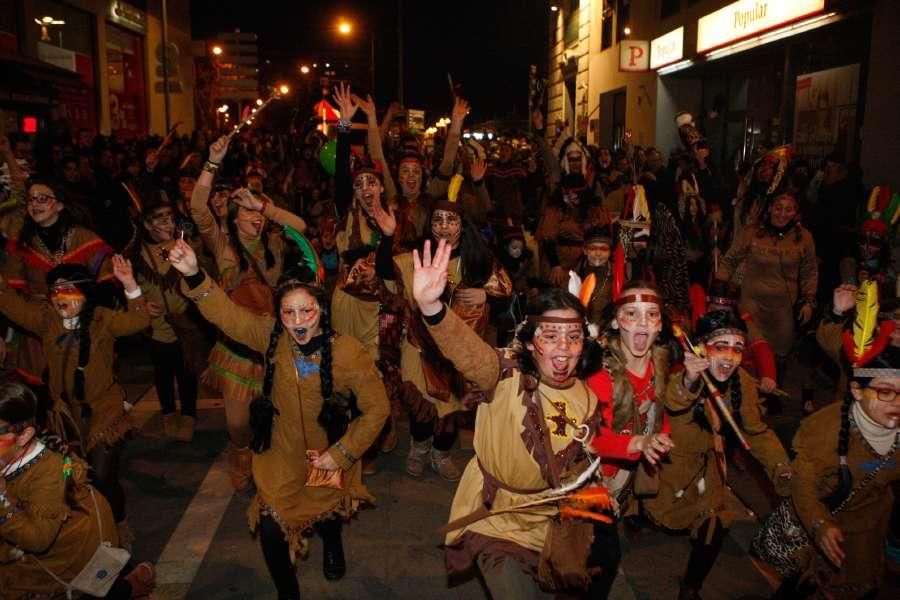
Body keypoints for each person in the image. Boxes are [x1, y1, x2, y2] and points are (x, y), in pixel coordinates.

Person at [165, 238, 389, 597]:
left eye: (307, 312)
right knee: (270, 529)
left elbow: (378, 409)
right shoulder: (271, 336)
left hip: (327, 453)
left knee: (328, 513)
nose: (297, 322)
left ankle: (333, 545)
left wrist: (342, 453)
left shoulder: (349, 352)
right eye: (288, 313)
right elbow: (228, 314)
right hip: (279, 452)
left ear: (322, 310)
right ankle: (288, 592)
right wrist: (194, 274)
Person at [414, 238, 619, 598]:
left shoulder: (586, 399)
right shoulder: (502, 373)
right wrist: (433, 308)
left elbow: (575, 472)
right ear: (527, 341)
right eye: (550, 335)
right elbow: (469, 352)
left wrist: (597, 502)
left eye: (572, 337)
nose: (562, 348)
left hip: (548, 523)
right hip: (495, 518)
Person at [754, 282, 898, 598]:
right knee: (805, 580)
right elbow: (829, 338)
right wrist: (835, 313)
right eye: (887, 392)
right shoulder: (861, 356)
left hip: (868, 525)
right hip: (836, 469)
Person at [0, 255, 149, 545]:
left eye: (68, 288)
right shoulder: (47, 319)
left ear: (84, 292)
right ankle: (88, 528)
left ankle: (117, 526)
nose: (60, 296)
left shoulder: (103, 320)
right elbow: (8, 303)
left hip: (105, 412)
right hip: (65, 418)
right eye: (54, 290)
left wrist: (129, 282)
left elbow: (140, 320)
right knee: (71, 473)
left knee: (103, 476)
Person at [643, 310, 791, 599]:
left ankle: (690, 587)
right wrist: (690, 380)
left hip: (710, 471)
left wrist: (781, 465)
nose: (729, 358)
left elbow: (756, 431)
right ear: (699, 347)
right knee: (651, 515)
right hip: (667, 468)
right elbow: (674, 400)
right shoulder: (678, 375)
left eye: (737, 349)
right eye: (720, 346)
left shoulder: (743, 383)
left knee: (715, 527)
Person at [189, 134, 307, 491]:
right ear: (234, 218)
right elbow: (197, 208)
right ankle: (239, 452)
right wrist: (212, 162)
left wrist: (264, 205)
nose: (254, 218)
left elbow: (300, 228)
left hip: (273, 342)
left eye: (258, 214)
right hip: (237, 348)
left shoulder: (273, 243)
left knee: (281, 417)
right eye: (248, 213)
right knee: (238, 423)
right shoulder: (223, 246)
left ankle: (273, 463)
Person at [385, 187, 511, 481]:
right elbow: (386, 270)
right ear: (430, 226)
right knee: (421, 408)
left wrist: (487, 295)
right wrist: (388, 236)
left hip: (460, 353)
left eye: (451, 220)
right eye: (437, 220)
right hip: (420, 347)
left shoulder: (478, 260)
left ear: (461, 225)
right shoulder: (418, 256)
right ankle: (419, 448)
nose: (444, 226)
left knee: (452, 411)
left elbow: (507, 287)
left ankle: (441, 454)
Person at [0, 382, 155, 599]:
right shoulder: (17, 452)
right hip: (49, 540)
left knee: (81, 585)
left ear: (24, 435)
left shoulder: (48, 470)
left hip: (71, 548)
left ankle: (128, 586)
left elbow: (38, 539)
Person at [717, 192, 818, 372]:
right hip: (752, 304)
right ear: (770, 208)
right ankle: (748, 393)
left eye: (788, 209)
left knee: (780, 354)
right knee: (750, 351)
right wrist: (719, 288)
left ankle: (772, 392)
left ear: (796, 212)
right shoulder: (752, 231)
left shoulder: (804, 237)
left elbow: (810, 272)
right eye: (778, 208)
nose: (782, 214)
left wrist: (809, 301)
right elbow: (730, 259)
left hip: (783, 308)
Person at [134, 198, 205, 442]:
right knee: (162, 374)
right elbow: (128, 289)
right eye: (161, 218)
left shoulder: (183, 246)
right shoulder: (135, 254)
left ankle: (188, 415)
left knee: (187, 371)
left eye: (170, 216)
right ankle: (168, 414)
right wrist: (139, 305)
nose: (168, 222)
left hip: (184, 324)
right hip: (155, 327)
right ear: (147, 224)